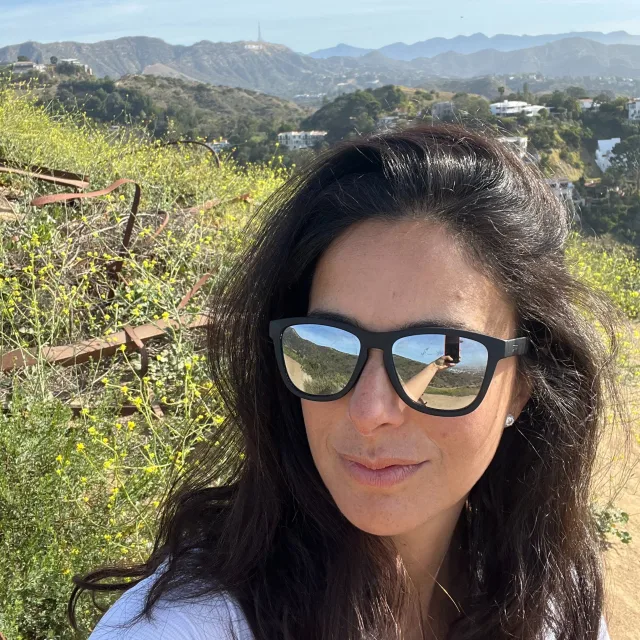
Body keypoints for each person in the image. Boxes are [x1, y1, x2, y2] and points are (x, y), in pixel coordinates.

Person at [70, 123, 629, 639]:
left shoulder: (555, 605)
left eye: (444, 359)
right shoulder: (186, 627)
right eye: (327, 349)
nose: (369, 411)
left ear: (522, 385)